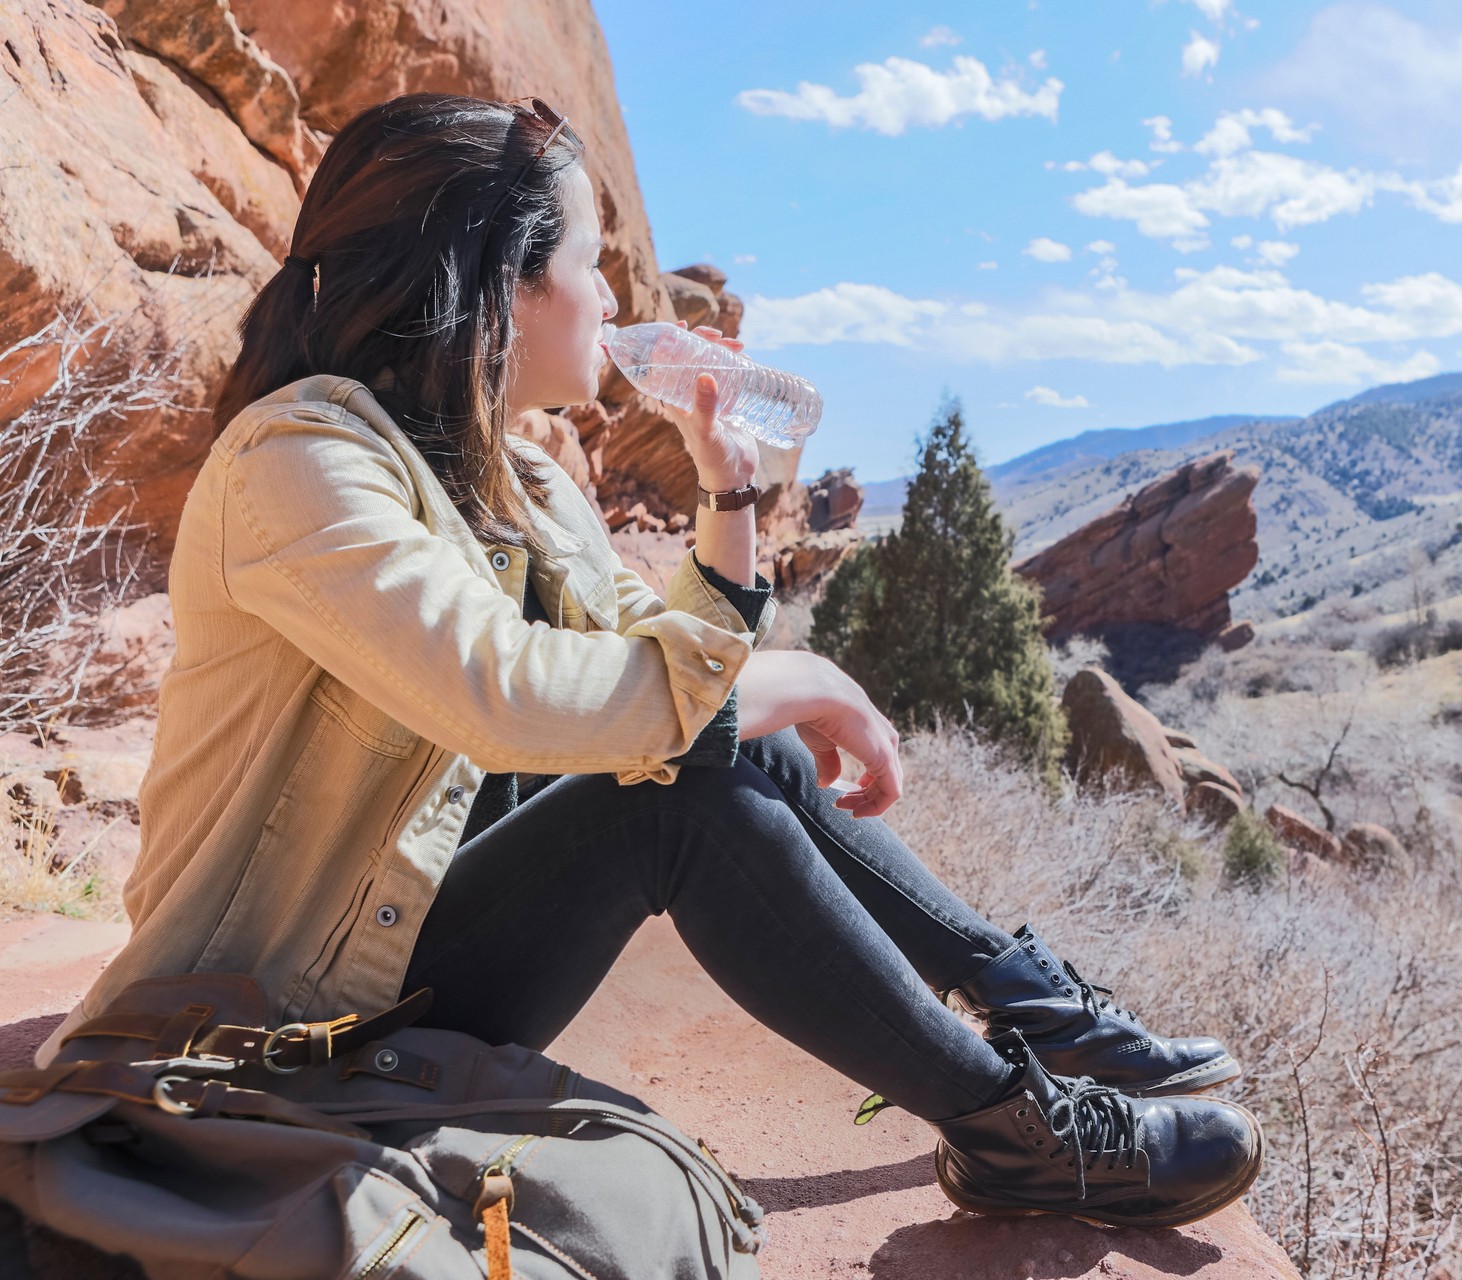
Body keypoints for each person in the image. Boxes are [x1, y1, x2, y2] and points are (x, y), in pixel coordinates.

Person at [38, 92, 1262, 1236]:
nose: (617, 296)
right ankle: (1022, 1132)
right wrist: (817, 683)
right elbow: (511, 690)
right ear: (504, 287)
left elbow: (663, 650)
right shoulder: (295, 460)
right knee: (691, 777)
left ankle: (1040, 1015)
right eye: (588, 263)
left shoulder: (516, 475)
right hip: (266, 1026)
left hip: (398, 957)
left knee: (727, 739)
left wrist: (725, 481)